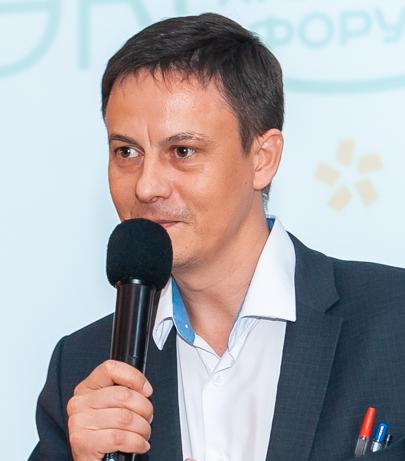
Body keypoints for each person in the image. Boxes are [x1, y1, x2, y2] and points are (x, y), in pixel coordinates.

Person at [29, 12, 405, 461]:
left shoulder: (393, 319)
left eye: (182, 151)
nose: (147, 186)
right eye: (126, 152)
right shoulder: (82, 367)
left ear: (263, 158)